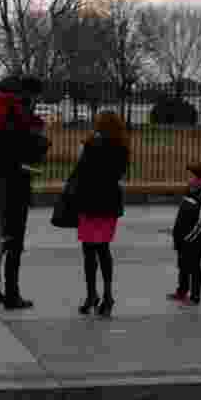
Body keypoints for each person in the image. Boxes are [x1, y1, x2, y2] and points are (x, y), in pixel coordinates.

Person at [0, 73, 47, 310]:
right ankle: (13, 294)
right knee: (15, 241)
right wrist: (41, 140)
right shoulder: (18, 111)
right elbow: (26, 146)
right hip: (16, 181)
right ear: (29, 94)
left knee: (0, 238)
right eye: (36, 97)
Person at [71, 111, 130, 318]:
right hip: (109, 203)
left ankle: (91, 295)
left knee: (88, 250)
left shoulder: (88, 145)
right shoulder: (122, 148)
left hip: (89, 201)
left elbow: (79, 172)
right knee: (104, 249)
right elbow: (120, 175)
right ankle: (107, 295)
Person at [168, 162, 201, 306]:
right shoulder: (190, 192)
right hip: (183, 239)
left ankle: (195, 297)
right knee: (183, 265)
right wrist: (177, 235)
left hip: (195, 241)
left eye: (192, 176)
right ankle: (182, 291)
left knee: (194, 267)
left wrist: (188, 238)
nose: (189, 179)